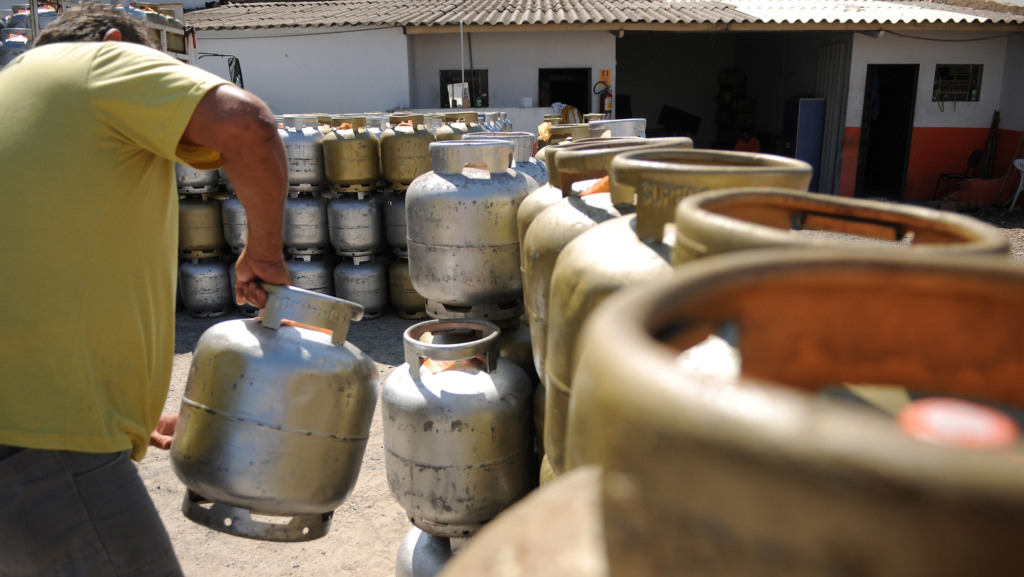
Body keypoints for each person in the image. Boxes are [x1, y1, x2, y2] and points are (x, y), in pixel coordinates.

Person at [0, 3, 291, 575]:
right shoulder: (96, 63)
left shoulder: (20, 92)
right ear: (115, 42)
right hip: (43, 431)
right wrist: (263, 253)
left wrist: (128, 403)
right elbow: (247, 125)